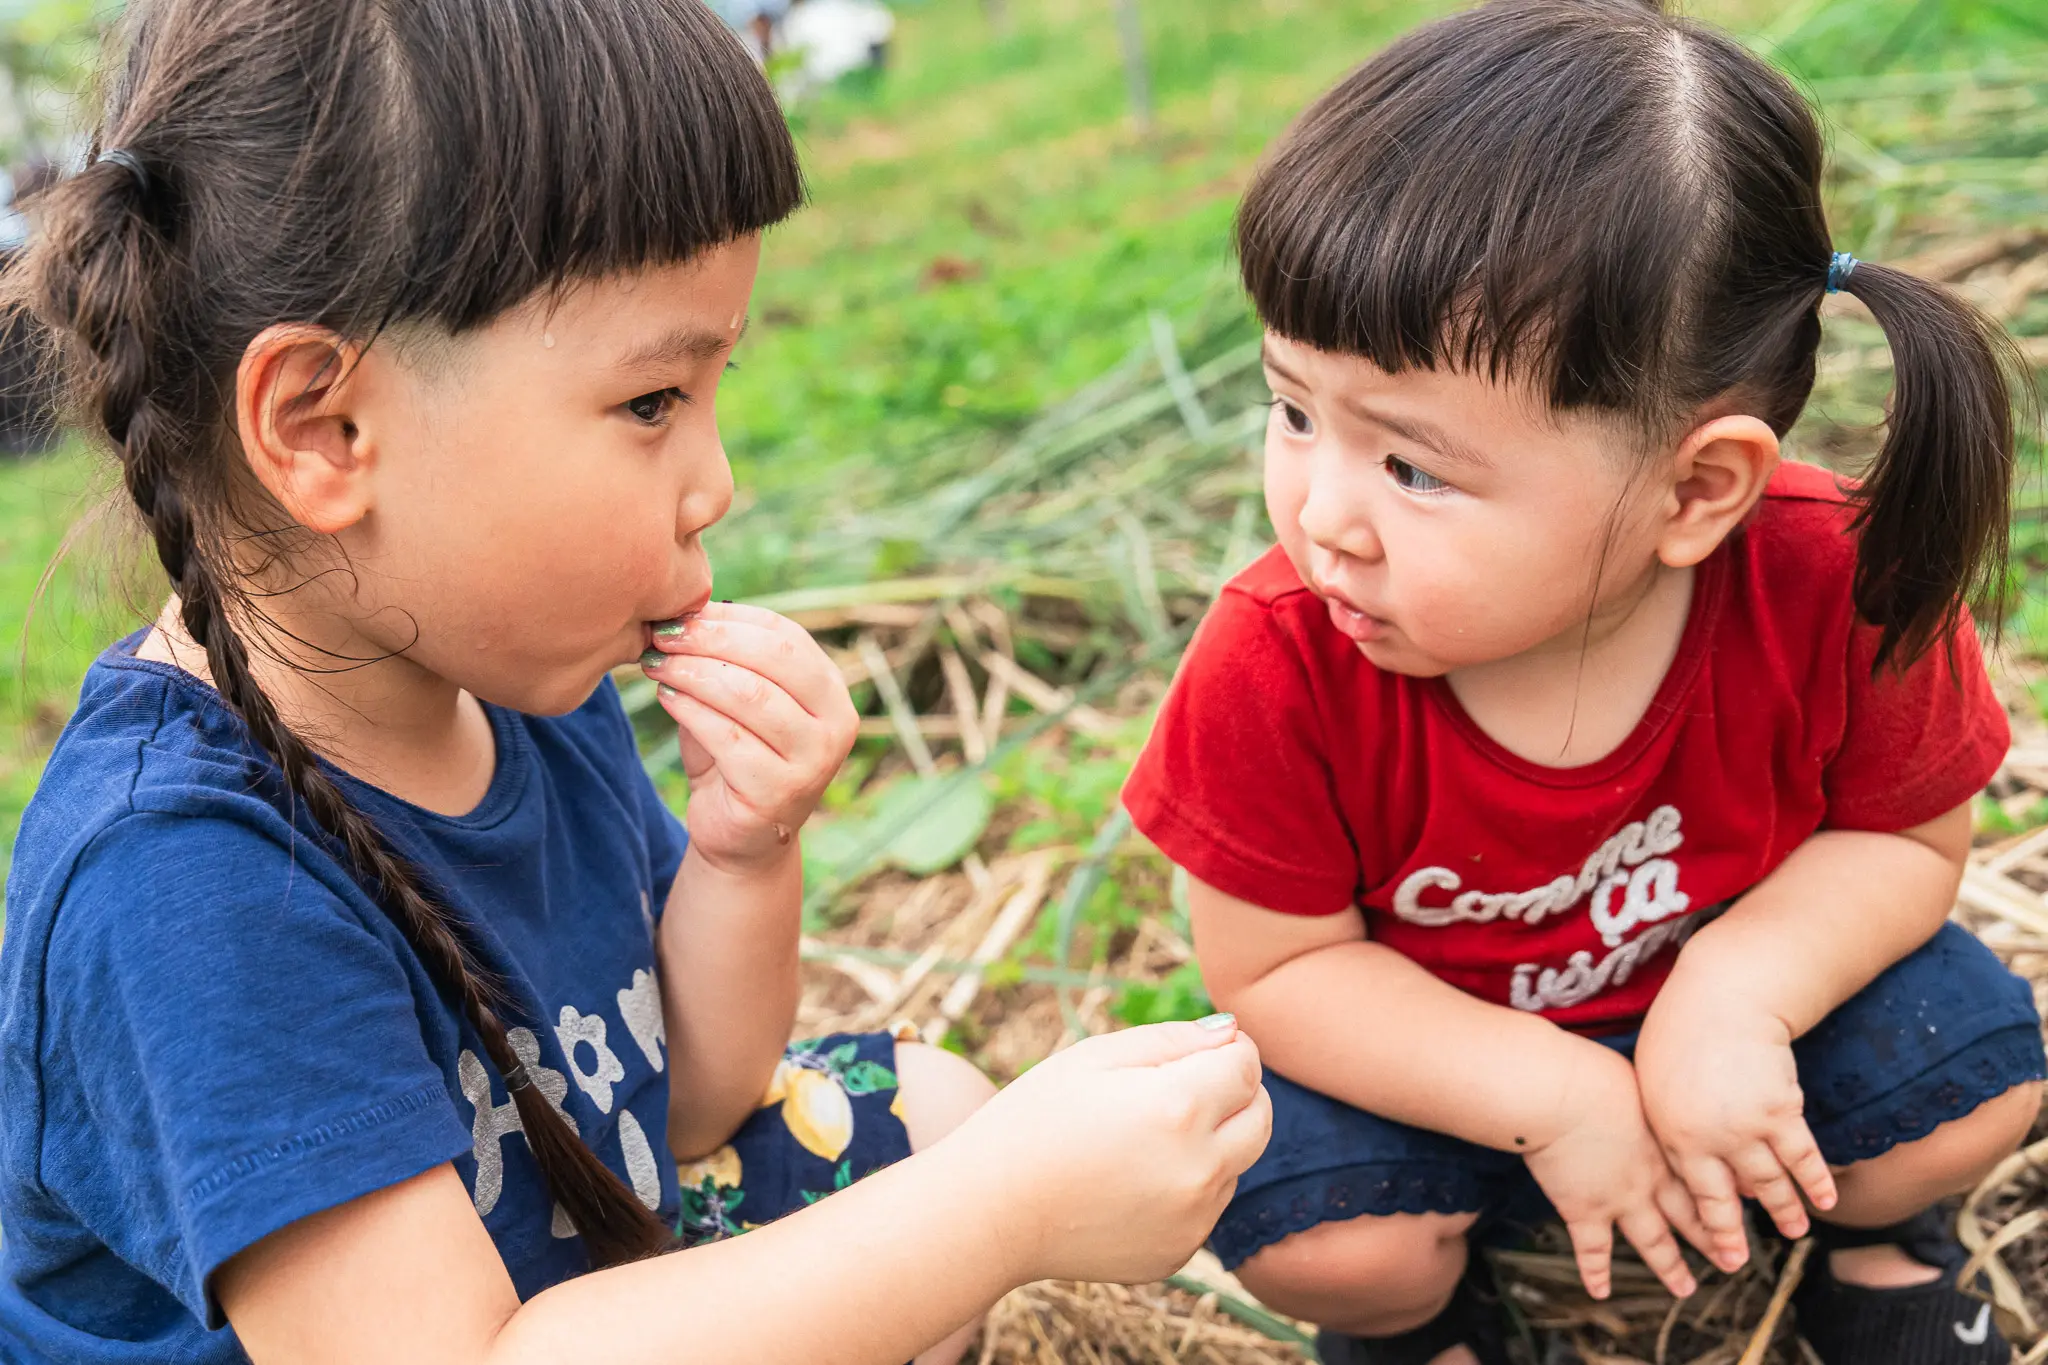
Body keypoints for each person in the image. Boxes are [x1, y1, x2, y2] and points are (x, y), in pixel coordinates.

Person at [0, 2, 1271, 1362]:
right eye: (653, 403)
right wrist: (1006, 1214)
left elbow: (687, 1109)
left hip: (574, 1281)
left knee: (938, 1120)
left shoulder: (508, 680)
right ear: (325, 427)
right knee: (968, 1187)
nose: (717, 481)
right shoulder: (184, 885)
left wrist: (741, 852)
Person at [1122, 2, 2042, 1362]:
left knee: (1972, 1084)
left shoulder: (1833, 577)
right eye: (1296, 412)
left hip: (1746, 1036)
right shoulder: (1282, 652)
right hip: (1439, 1071)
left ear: (1697, 488)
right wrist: (1554, 1099)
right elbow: (1280, 970)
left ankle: (1873, 1248)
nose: (1323, 516)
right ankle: (1429, 1319)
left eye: (1414, 467)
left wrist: (1735, 996)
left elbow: (1903, 840)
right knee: (1322, 1236)